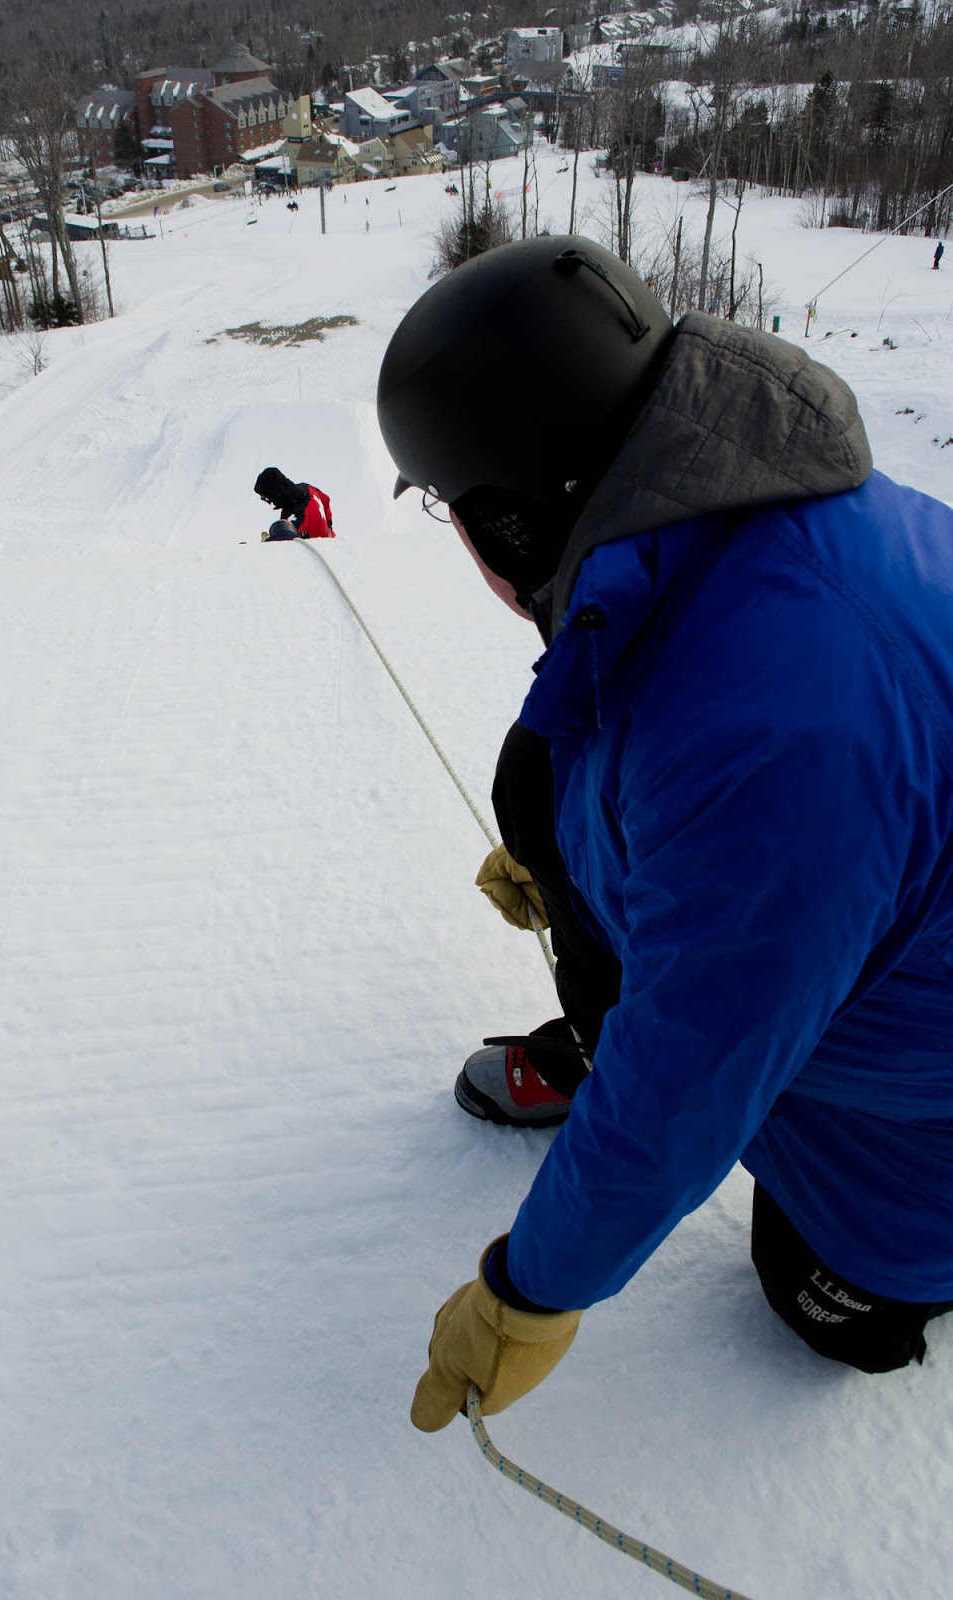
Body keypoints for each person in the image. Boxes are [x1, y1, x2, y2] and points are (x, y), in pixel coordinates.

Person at [375, 234, 953, 1432]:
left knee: (817, 1293)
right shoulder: (739, 503)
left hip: (921, 1101)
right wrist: (569, 862)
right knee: (542, 766)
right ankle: (602, 1026)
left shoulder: (779, 738)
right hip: (839, 913)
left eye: (448, 508)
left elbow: (692, 1075)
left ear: (515, 522)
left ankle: (894, 1287)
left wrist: (531, 1291)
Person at [254, 467, 335, 540]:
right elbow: (325, 499)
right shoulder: (306, 488)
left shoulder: (295, 516)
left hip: (316, 552)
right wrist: (329, 525)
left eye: (266, 497)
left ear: (275, 494)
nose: (269, 502)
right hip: (330, 542)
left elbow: (284, 545)